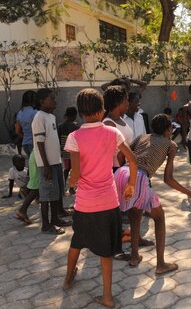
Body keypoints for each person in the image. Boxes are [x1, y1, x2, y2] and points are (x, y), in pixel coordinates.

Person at [62, 88, 138, 308]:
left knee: (77, 242)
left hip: (85, 204)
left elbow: (74, 175)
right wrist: (131, 185)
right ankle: (107, 297)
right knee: (106, 251)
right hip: (109, 202)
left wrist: (71, 184)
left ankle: (68, 279)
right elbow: (132, 161)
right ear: (102, 109)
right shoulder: (112, 133)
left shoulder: (74, 137)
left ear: (80, 112)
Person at [115, 114, 191, 273]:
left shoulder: (142, 137)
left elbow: (121, 155)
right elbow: (168, 179)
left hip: (121, 174)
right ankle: (161, 264)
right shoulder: (170, 145)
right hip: (139, 177)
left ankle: (134, 256)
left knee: (135, 214)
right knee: (159, 217)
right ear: (169, 130)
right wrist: (190, 193)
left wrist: (127, 173)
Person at [32, 88, 71, 234]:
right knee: (46, 195)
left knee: (56, 193)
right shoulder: (39, 117)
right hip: (46, 164)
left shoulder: (51, 116)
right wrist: (46, 165)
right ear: (42, 101)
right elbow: (40, 143)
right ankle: (46, 224)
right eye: (51, 98)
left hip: (56, 162)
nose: (54, 101)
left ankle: (55, 219)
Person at [103, 86, 134, 169]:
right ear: (118, 102)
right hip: (117, 170)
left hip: (127, 167)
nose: (128, 103)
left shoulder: (120, 119)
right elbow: (108, 155)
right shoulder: (109, 124)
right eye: (126, 100)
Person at [58, 107, 79, 194]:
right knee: (74, 169)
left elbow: (58, 139)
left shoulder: (60, 126)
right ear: (75, 116)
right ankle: (71, 188)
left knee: (66, 169)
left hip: (65, 151)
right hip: (73, 151)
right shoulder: (76, 127)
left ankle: (63, 187)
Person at [15, 152, 40, 224]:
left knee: (37, 186)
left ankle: (23, 210)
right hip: (37, 157)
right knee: (36, 187)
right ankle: (22, 210)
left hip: (36, 157)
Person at [15, 90, 37, 156]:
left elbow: (17, 131)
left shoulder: (20, 112)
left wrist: (26, 136)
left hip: (25, 143)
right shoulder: (35, 112)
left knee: (31, 163)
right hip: (35, 143)